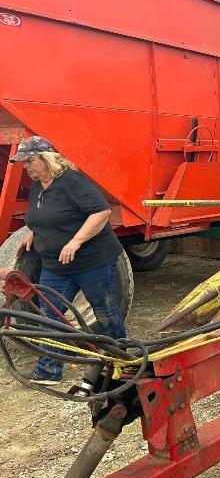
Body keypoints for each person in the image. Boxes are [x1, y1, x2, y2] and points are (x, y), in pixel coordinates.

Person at [12, 136, 126, 385]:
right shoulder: (38, 185)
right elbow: (46, 215)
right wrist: (35, 231)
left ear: (47, 158)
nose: (26, 167)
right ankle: (48, 371)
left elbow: (101, 212)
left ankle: (121, 358)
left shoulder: (71, 182)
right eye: (23, 162)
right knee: (50, 313)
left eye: (30, 161)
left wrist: (75, 242)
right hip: (56, 264)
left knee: (104, 309)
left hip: (92, 260)